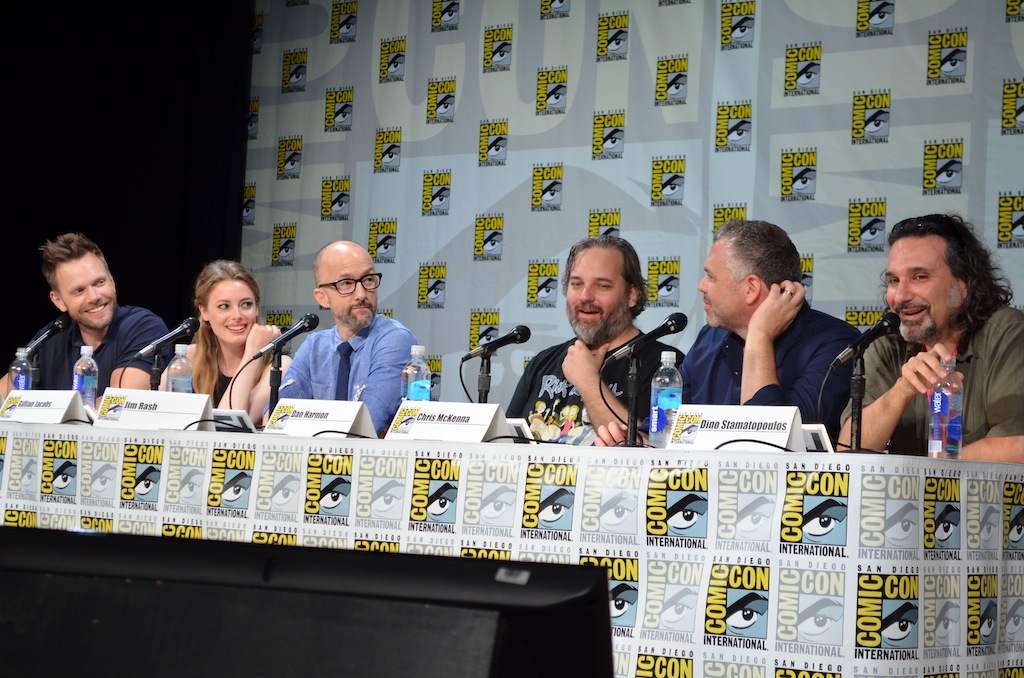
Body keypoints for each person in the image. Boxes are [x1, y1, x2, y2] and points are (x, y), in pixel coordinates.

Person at [598, 219, 860, 446]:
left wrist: (759, 336)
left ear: (751, 289)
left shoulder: (836, 346)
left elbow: (769, 448)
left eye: (711, 277)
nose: (701, 286)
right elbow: (667, 433)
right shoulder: (709, 338)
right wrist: (635, 442)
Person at [838, 214, 1024, 462]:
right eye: (894, 280)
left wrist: (927, 476)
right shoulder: (887, 340)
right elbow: (849, 451)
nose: (901, 296)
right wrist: (902, 390)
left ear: (963, 284)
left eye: (919, 277)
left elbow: (1015, 447)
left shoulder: (1006, 333)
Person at [508, 235, 684, 444]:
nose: (585, 296)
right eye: (576, 283)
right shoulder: (542, 363)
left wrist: (588, 381)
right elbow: (506, 447)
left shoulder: (665, 369)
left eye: (602, 286)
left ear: (632, 295)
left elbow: (648, 452)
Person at [1, 233, 171, 398]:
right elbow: (5, 395)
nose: (94, 297)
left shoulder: (144, 327)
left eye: (100, 282)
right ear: (58, 301)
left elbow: (117, 406)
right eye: (79, 291)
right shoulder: (50, 338)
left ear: (112, 281)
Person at [278, 240, 418, 436]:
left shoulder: (395, 340)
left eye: (368, 280)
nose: (361, 294)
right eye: (346, 283)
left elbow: (365, 425)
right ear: (322, 297)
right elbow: (278, 420)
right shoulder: (314, 347)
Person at [160, 260, 288, 424]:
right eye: (224, 306)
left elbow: (227, 424)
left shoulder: (278, 365)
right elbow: (155, 414)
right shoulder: (189, 357)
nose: (237, 315)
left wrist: (252, 354)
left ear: (256, 309)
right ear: (204, 311)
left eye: (246, 304)